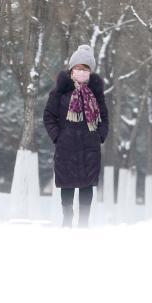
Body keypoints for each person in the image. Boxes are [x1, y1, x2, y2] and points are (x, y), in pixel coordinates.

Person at [43, 44, 109, 228]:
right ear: (71, 69)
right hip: (66, 147)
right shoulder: (59, 92)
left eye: (85, 69)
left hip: (89, 147)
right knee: (67, 186)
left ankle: (84, 223)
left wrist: (99, 136)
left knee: (87, 187)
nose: (81, 72)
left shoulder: (95, 94)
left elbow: (104, 117)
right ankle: (67, 219)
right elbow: (49, 116)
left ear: (90, 72)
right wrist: (58, 136)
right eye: (78, 68)